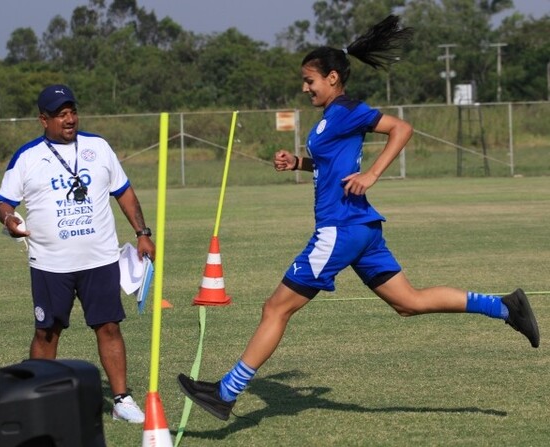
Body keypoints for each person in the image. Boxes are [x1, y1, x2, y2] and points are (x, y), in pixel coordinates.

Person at [177, 15, 540, 421]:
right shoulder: (333, 116)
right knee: (409, 303)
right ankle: (505, 308)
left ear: (333, 77)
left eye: (309, 80)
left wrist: (372, 175)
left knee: (274, 309)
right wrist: (298, 162)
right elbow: (330, 163)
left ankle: (226, 392)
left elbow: (402, 128)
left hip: (339, 230)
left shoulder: (348, 109)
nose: (304, 87)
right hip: (361, 228)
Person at [0, 84, 154, 423]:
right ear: (43, 119)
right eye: (61, 114)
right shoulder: (27, 156)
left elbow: (124, 193)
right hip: (50, 264)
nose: (69, 119)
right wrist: (9, 218)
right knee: (46, 331)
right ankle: (37, 398)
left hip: (100, 259)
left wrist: (142, 233)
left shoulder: (98, 147)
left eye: (72, 112)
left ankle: (122, 400)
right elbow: (3, 201)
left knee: (109, 326)